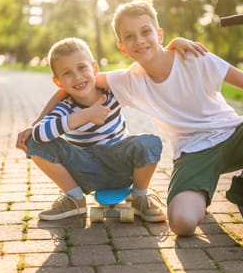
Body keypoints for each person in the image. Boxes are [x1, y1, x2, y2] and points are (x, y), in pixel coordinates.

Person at [25, 0, 243, 236]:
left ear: (159, 34)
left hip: (236, 134)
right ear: (122, 46)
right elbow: (76, 85)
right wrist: (37, 124)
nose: (140, 40)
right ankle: (204, 190)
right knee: (183, 224)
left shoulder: (194, 57)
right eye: (130, 37)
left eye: (146, 32)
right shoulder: (129, 79)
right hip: (193, 153)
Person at [17, 37, 204, 222]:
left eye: (82, 68)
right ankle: (75, 199)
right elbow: (40, 134)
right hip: (84, 170)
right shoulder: (65, 107)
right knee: (33, 141)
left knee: (149, 143)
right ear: (58, 82)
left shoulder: (113, 91)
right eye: (67, 73)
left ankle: (139, 197)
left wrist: (170, 47)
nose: (78, 77)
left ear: (95, 68)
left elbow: (144, 73)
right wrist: (84, 115)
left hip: (120, 166)